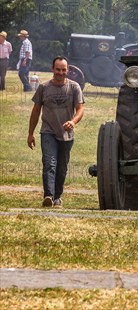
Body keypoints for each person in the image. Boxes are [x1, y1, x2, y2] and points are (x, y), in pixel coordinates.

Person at [27, 56, 84, 207]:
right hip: (48, 131)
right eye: (58, 69)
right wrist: (30, 133)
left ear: (68, 70)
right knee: (49, 163)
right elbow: (36, 111)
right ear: (52, 69)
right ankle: (48, 196)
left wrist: (73, 121)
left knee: (62, 167)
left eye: (63, 70)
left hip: (66, 134)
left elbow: (80, 109)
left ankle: (58, 196)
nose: (60, 72)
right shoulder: (44, 88)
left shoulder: (74, 87)